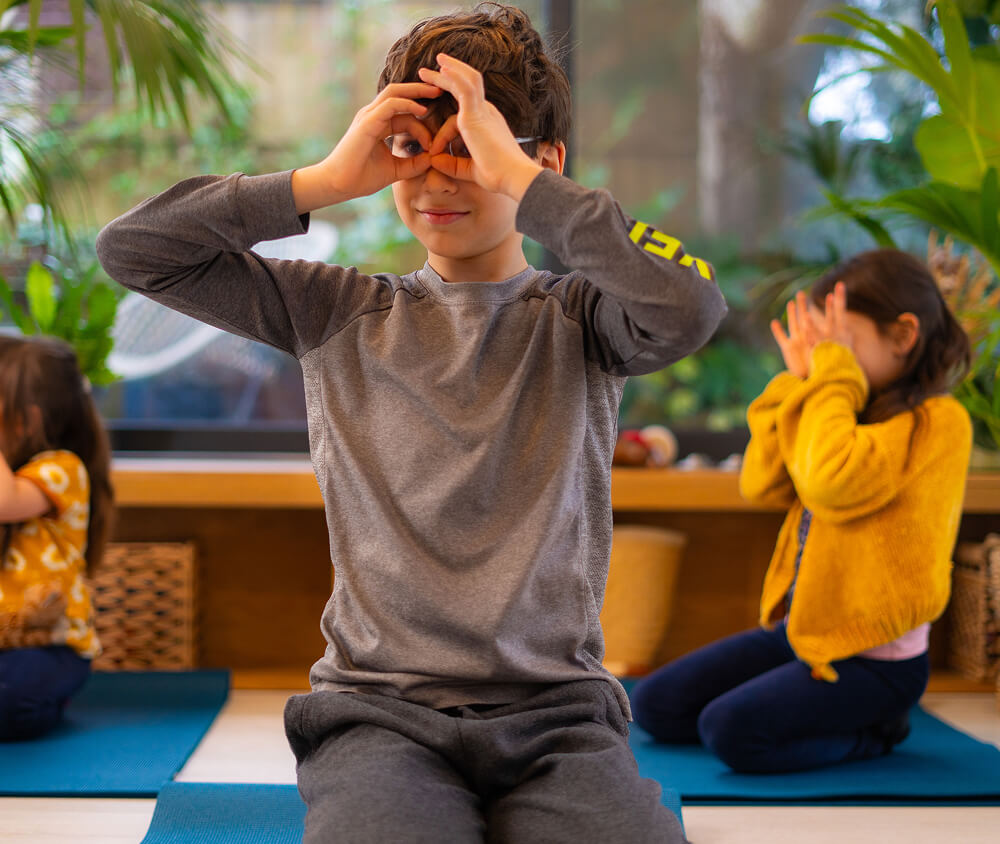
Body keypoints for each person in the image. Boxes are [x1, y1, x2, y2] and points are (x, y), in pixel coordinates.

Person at [97, 4, 726, 840]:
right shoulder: (334, 309)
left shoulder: (583, 320)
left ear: (542, 161)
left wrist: (528, 184)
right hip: (379, 716)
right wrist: (319, 182)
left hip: (558, 718)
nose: (438, 180)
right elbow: (132, 249)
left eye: (471, 149)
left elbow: (689, 307)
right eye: (412, 152)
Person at [631, 248, 973, 774]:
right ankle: (826, 712)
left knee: (730, 733)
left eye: (840, 346)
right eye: (822, 347)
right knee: (654, 705)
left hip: (875, 663)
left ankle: (876, 733)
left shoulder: (937, 423)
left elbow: (833, 482)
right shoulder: (838, 406)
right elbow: (761, 483)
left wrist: (830, 379)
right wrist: (799, 384)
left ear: (904, 336)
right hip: (803, 635)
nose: (826, 359)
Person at [0, 335, 114, 741]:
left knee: (12, 697)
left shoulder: (62, 469)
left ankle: (50, 702)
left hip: (49, 647)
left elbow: (4, 501)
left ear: (27, 420)